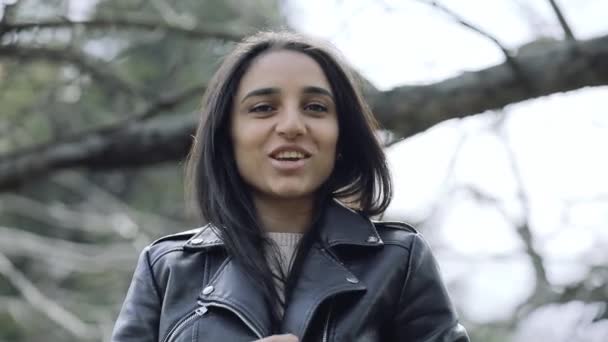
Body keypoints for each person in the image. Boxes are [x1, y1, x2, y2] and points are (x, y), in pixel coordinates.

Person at [111, 31, 469, 342]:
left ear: (341, 134)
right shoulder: (167, 268)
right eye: (264, 108)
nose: (292, 125)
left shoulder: (399, 260)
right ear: (227, 135)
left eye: (315, 107)